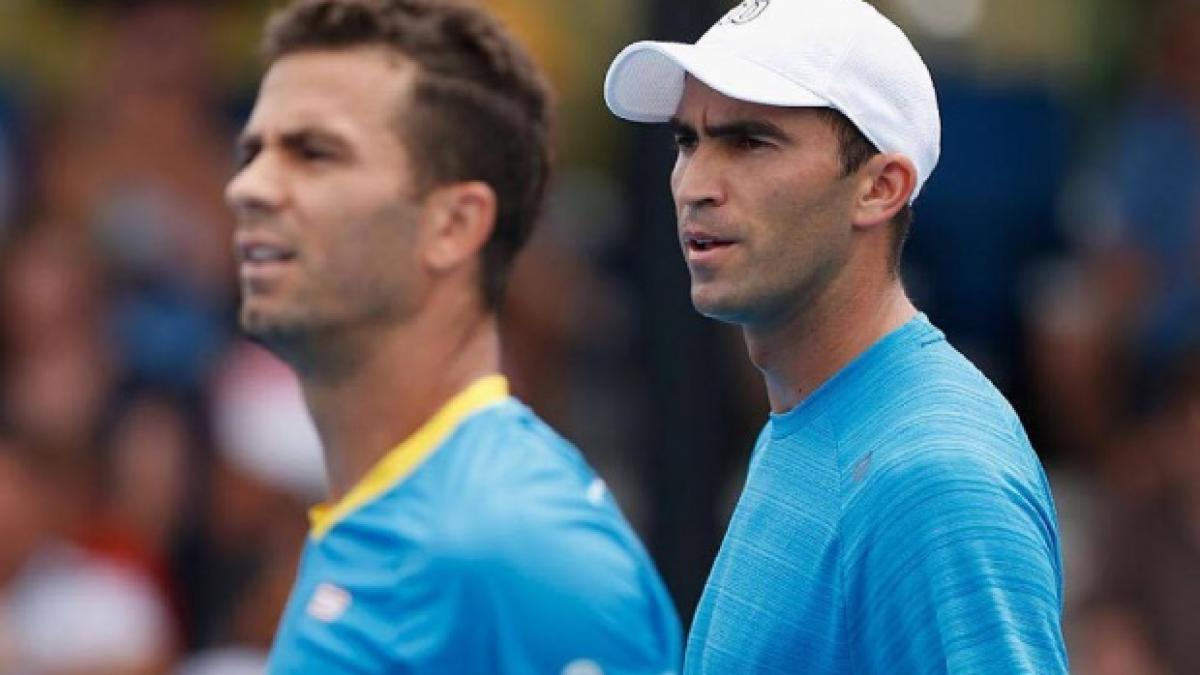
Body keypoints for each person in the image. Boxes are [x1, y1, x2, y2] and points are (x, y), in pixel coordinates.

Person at [604, 0, 1067, 672]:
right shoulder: (818, 409)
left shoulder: (935, 481)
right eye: (688, 140)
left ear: (880, 187)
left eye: (750, 141)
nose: (695, 184)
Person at [225, 0, 681, 672]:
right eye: (253, 150)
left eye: (315, 153)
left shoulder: (517, 545)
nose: (249, 186)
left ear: (454, 225)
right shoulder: (400, 515)